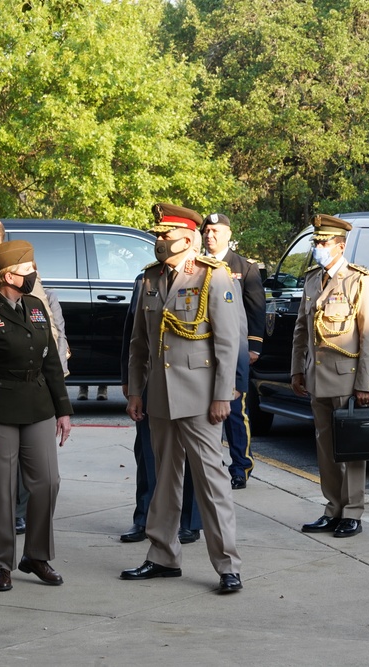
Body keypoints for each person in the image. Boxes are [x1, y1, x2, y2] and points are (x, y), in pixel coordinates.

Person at [120, 202, 243, 594]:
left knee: (211, 483)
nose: (159, 240)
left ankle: (228, 566)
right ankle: (162, 556)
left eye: (165, 234)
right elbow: (139, 343)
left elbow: (228, 343)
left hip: (201, 398)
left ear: (188, 238)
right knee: (164, 481)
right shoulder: (151, 278)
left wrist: (222, 395)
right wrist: (135, 390)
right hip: (160, 395)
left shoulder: (213, 276)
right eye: (157, 234)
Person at [0, 240, 73, 592]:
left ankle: (36, 556)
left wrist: (63, 410)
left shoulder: (35, 306)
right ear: (8, 276)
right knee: (2, 491)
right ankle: (2, 563)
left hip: (37, 407)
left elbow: (50, 362)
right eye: (27, 269)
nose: (33, 273)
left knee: (47, 483)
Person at [292, 214, 369, 538]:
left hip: (347, 377)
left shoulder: (358, 280)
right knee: (325, 448)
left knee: (352, 448)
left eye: (323, 242)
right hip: (317, 377)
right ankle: (333, 508)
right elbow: (301, 330)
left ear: (340, 246)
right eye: (316, 241)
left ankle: (352, 512)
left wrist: (365, 384)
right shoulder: (312, 280)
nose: (318, 246)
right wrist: (297, 370)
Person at [119, 272, 203, 545]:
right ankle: (145, 517)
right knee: (147, 452)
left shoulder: (210, 276)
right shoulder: (147, 279)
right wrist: (130, 381)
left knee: (193, 455)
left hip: (193, 381)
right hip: (152, 378)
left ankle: (189, 521)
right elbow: (134, 334)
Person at [202, 212, 265, 489]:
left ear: (228, 234)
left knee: (235, 412)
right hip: (203, 352)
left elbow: (255, 309)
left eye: (215, 231)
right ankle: (211, 465)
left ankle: (240, 466)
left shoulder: (244, 267)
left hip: (235, 349)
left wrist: (254, 346)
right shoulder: (196, 265)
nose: (210, 235)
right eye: (206, 231)